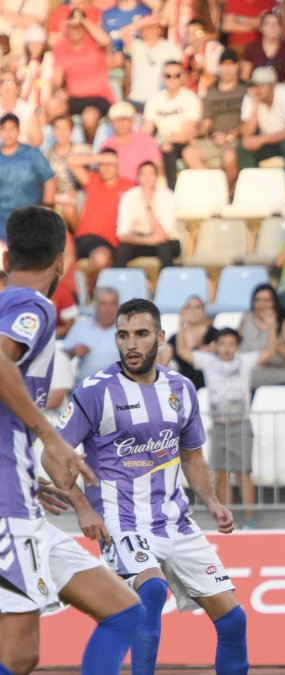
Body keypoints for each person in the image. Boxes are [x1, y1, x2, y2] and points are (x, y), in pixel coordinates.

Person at [55, 298, 249, 675]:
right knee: (153, 590)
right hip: (121, 520)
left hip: (176, 521)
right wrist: (83, 507)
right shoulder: (96, 391)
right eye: (123, 335)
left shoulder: (181, 389)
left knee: (233, 621)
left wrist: (211, 501)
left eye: (141, 334)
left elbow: (192, 456)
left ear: (160, 337)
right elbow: (55, 454)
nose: (131, 344)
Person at [0, 206, 144, 675]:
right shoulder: (33, 305)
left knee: (125, 610)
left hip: (23, 496)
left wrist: (22, 465)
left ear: (9, 253)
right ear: (62, 261)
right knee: (19, 655)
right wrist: (49, 437)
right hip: (8, 505)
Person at [177, 327, 269, 529]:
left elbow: (269, 352)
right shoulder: (209, 361)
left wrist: (270, 328)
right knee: (221, 473)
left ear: (237, 346)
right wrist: (185, 324)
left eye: (231, 344)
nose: (226, 348)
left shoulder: (244, 361)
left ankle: (250, 519)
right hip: (219, 424)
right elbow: (182, 351)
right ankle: (227, 516)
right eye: (222, 344)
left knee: (243, 472)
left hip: (240, 423)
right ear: (215, 346)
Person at [68, 150, 133, 290]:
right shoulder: (93, 180)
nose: (107, 167)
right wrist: (100, 158)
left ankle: (90, 296)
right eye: (103, 164)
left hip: (106, 239)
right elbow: (71, 161)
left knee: (100, 259)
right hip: (81, 237)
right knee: (59, 256)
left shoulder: (128, 186)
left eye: (110, 164)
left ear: (117, 166)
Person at [238, 66, 285, 195]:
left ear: (273, 85)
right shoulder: (251, 97)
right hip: (271, 141)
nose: (258, 89)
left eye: (262, 85)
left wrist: (261, 139)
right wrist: (255, 105)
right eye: (255, 85)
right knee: (243, 148)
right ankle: (254, 193)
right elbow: (246, 134)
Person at [52, 7, 113, 144]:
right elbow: (57, 78)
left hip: (98, 98)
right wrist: (59, 91)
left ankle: (90, 149)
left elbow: (106, 41)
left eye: (80, 26)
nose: (76, 30)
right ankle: (58, 149)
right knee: (51, 107)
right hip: (74, 98)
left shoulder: (94, 42)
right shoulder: (61, 46)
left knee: (89, 118)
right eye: (73, 26)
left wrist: (84, 21)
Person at [142, 59, 204, 189]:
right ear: (162, 77)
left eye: (177, 75)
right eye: (168, 75)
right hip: (161, 141)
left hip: (182, 141)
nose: (172, 79)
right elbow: (146, 129)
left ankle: (171, 190)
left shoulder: (190, 98)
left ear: (183, 76)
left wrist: (163, 140)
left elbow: (186, 133)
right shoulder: (154, 100)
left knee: (167, 147)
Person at [238, 284, 285, 390]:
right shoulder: (246, 320)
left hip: (284, 382)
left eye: (267, 300)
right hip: (247, 382)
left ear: (275, 303)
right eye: (258, 300)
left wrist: (278, 347)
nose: (262, 304)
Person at [113, 161, 183, 269]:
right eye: (143, 174)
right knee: (122, 250)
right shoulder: (129, 197)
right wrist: (146, 241)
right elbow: (122, 234)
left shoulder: (167, 196)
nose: (147, 178)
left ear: (156, 177)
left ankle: (167, 284)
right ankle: (119, 282)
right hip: (139, 238)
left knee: (164, 248)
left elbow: (162, 235)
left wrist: (148, 207)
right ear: (138, 178)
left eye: (151, 174)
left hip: (167, 241)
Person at [195, 50, 248, 190]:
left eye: (232, 65)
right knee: (189, 152)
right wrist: (199, 130)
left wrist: (229, 135)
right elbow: (207, 122)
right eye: (224, 65)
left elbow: (248, 122)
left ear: (237, 67)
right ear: (219, 67)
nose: (228, 69)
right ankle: (214, 188)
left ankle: (224, 192)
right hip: (215, 139)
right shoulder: (211, 93)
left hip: (236, 140)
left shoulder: (246, 91)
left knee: (229, 157)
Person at [0, 113, 54, 241]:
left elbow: (49, 180)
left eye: (12, 129)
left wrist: (46, 211)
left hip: (28, 218)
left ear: (18, 131)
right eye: (4, 129)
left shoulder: (32, 154)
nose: (8, 133)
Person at [61, 286, 121, 385]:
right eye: (103, 304)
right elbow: (62, 357)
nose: (107, 309)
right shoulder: (81, 327)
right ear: (95, 305)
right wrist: (74, 351)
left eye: (112, 304)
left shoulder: (126, 330)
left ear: (118, 306)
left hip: (116, 389)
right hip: (85, 388)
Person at [157, 295, 220, 389]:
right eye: (189, 307)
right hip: (183, 387)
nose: (193, 310)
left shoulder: (215, 334)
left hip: (210, 385)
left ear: (204, 312)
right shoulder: (175, 338)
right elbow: (161, 363)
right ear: (183, 312)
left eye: (197, 307)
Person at [121, 17, 181, 111]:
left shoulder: (171, 47)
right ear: (140, 31)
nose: (149, 30)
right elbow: (123, 33)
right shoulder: (136, 46)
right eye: (145, 28)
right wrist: (144, 21)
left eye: (153, 27)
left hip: (161, 100)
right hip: (137, 99)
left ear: (159, 30)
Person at [99, 101, 163, 183]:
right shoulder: (107, 145)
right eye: (117, 120)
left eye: (125, 119)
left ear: (132, 120)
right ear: (111, 122)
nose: (121, 123)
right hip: (119, 190)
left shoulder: (145, 139)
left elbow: (158, 166)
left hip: (145, 187)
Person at [239, 12, 285, 86]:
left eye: (276, 24)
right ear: (261, 28)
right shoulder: (251, 48)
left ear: (281, 28)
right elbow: (245, 77)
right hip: (256, 91)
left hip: (282, 91)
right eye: (268, 24)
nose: (272, 27)